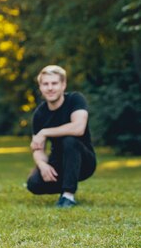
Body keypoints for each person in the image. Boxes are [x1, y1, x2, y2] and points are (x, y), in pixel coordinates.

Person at [27, 65, 97, 208]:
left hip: (84, 160)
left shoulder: (75, 99)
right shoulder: (40, 114)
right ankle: (66, 184)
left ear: (63, 85)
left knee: (69, 140)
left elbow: (78, 128)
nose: (50, 88)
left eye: (54, 83)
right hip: (59, 161)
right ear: (40, 87)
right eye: (45, 84)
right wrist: (42, 165)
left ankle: (68, 195)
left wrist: (45, 132)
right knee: (34, 184)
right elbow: (37, 147)